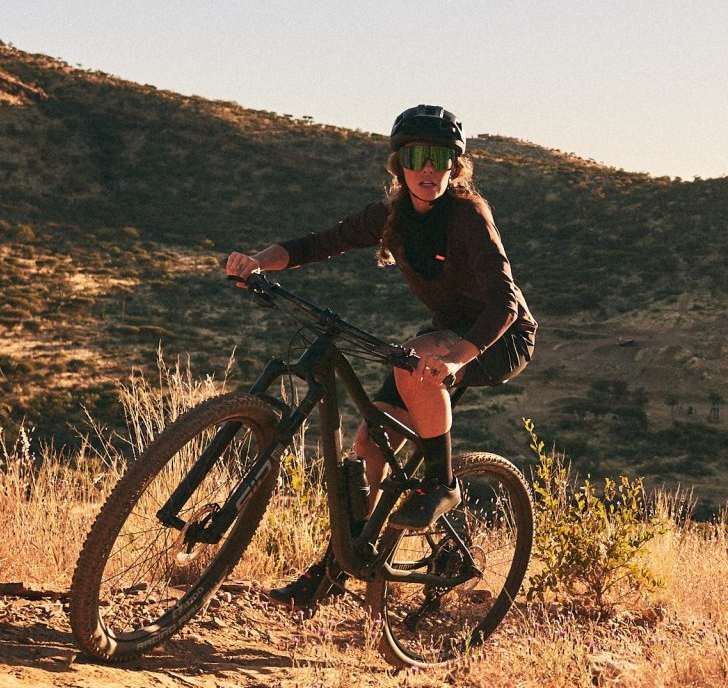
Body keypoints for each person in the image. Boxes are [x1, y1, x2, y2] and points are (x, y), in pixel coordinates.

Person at [223, 104, 537, 610]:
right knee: (371, 439)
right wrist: (258, 263)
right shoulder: (391, 217)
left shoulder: (468, 215)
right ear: (400, 164)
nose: (429, 169)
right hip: (443, 335)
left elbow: (504, 302)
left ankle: (441, 482)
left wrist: (457, 358)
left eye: (440, 157)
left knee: (414, 359)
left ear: (455, 164)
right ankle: (341, 565)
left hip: (500, 337)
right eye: (417, 157)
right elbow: (317, 243)